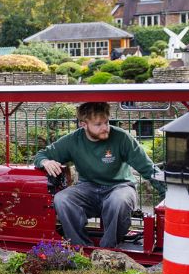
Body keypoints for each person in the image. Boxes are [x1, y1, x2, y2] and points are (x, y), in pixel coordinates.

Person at [33, 102, 166, 249]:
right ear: (83, 124)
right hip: (87, 188)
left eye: (106, 122)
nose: (105, 128)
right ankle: (82, 249)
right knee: (62, 199)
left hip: (120, 187)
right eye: (98, 124)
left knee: (119, 201)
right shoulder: (72, 141)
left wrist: (167, 193)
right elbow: (41, 155)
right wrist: (45, 161)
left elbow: (147, 167)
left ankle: (106, 250)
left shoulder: (122, 138)